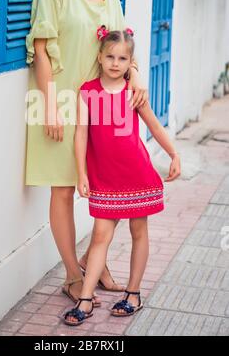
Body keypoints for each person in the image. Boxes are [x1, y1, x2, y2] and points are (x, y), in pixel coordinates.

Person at [25, 0, 149, 306]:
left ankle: (96, 264)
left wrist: (136, 76)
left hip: (102, 107)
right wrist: (48, 108)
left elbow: (121, 42)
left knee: (105, 192)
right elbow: (41, 50)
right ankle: (73, 275)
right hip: (60, 100)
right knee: (63, 191)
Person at [63, 26, 181, 325]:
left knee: (138, 231)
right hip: (104, 177)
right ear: (100, 57)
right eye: (111, 57)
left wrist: (174, 154)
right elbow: (80, 136)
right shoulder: (87, 92)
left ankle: (133, 293)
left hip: (136, 174)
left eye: (123, 58)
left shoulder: (133, 91)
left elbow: (153, 124)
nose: (116, 63)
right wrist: (82, 174)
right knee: (100, 235)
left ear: (131, 63)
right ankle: (86, 299)